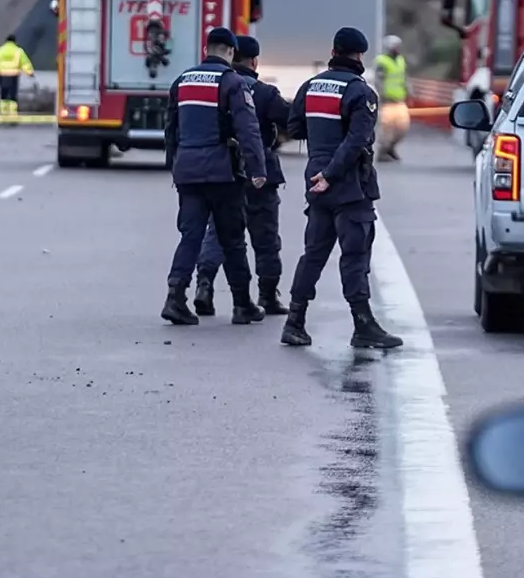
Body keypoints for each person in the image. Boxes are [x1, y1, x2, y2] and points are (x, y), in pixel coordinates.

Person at [280, 26, 403, 350]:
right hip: (348, 186)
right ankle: (363, 325)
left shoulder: (311, 86)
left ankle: (294, 321)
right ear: (359, 55)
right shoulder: (360, 92)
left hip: (316, 182)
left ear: (334, 51)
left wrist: (321, 163)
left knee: (314, 254)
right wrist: (332, 174)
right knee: (355, 255)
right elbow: (357, 140)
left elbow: (293, 127)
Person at [161, 27, 268, 326]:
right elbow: (248, 129)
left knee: (190, 236)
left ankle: (175, 298)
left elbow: (171, 129)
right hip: (222, 173)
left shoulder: (182, 81)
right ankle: (242, 303)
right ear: (232, 53)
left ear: (206, 49)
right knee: (232, 239)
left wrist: (175, 164)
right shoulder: (232, 82)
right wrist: (258, 169)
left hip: (187, 171)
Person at [194, 35, 292, 316]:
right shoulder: (263, 93)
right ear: (254, 61)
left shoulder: (217, 87)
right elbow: (292, 121)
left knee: (218, 234)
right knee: (266, 238)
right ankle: (267, 294)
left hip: (223, 170)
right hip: (261, 172)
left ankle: (204, 284)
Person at [373, 35, 409, 162]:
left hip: (400, 100)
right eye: (395, 46)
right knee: (387, 129)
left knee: (402, 128)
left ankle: (391, 147)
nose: (397, 48)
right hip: (387, 101)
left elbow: (404, 77)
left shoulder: (400, 60)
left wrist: (409, 91)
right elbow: (378, 80)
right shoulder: (382, 61)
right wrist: (381, 94)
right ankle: (382, 152)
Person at [0, 34, 35, 118]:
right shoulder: (18, 51)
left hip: (3, 75)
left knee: (4, 94)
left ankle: (3, 112)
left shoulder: (0, 51)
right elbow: (25, 63)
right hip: (14, 75)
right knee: (12, 94)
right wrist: (30, 73)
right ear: (14, 41)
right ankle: (13, 113)